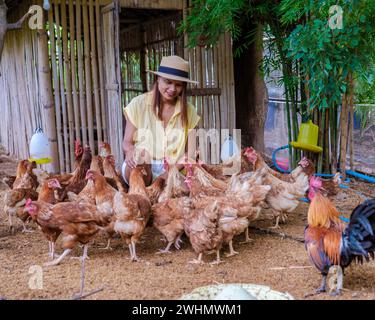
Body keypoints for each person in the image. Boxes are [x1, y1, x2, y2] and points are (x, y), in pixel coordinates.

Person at [122, 55, 200, 186]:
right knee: (142, 159)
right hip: (141, 166)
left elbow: (190, 153)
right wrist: (130, 151)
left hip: (175, 168)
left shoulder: (189, 111)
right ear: (158, 79)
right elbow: (126, 142)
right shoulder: (138, 104)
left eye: (178, 85)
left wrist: (170, 172)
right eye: (168, 82)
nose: (173, 89)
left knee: (186, 191)